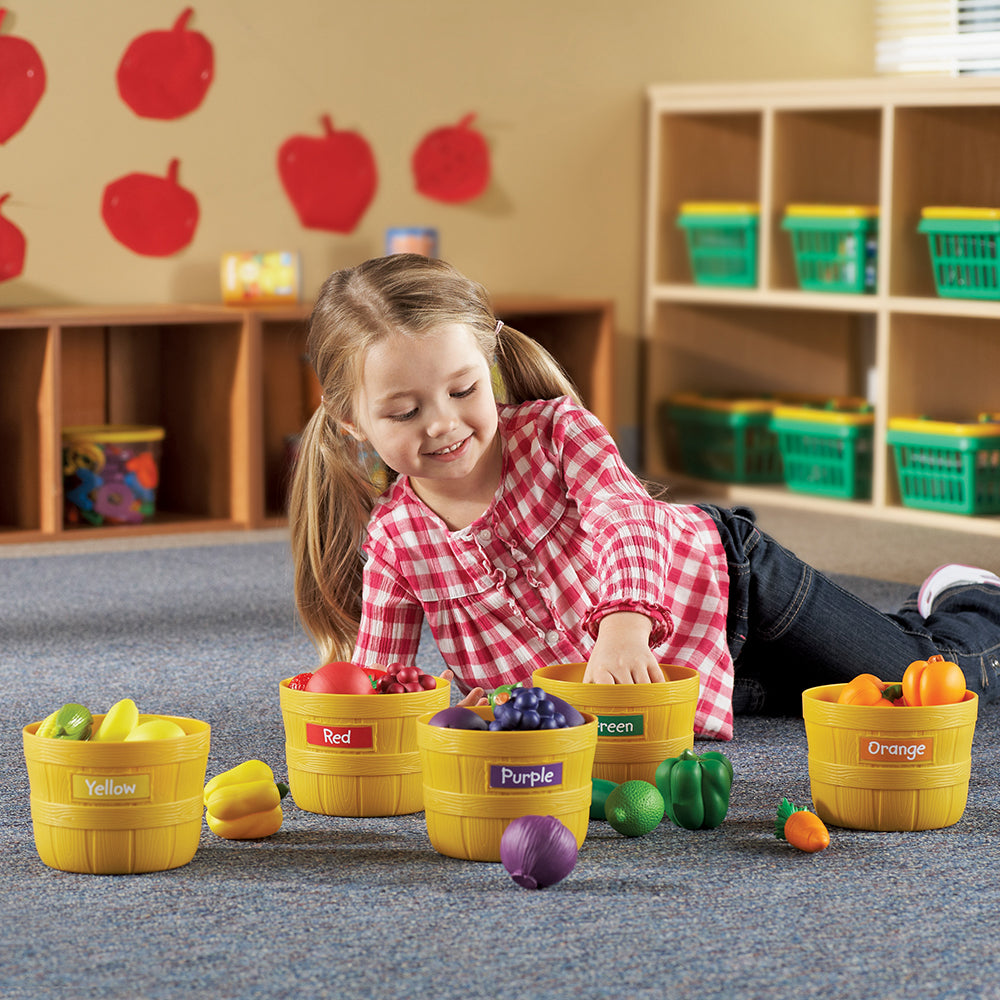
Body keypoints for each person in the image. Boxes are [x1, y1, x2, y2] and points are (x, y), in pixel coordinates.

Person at [289, 253, 1000, 741]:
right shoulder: (396, 538)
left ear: (490, 363)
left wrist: (625, 624)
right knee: (828, 703)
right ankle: (865, 631)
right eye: (404, 412)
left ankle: (968, 598)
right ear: (353, 422)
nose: (442, 424)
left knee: (924, 689)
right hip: (658, 674)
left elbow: (624, 519)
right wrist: (378, 725)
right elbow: (384, 681)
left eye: (463, 390)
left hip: (733, 587)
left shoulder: (558, 434)